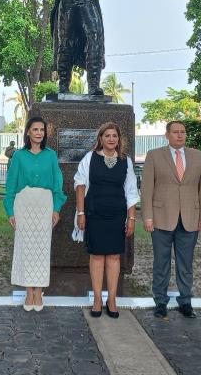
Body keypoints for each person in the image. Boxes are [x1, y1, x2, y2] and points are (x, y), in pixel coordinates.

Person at [141, 121, 201, 320]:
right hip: (161, 218)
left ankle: (186, 301)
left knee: (186, 263)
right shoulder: (154, 155)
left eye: (183, 132)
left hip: (190, 218)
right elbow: (147, 189)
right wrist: (147, 216)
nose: (180, 135)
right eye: (175, 132)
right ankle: (160, 302)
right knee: (161, 263)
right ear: (167, 134)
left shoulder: (197, 156)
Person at [74, 122, 139, 319]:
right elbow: (80, 185)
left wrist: (132, 218)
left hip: (116, 215)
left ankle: (111, 299)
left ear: (119, 139)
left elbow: (131, 191)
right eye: (107, 135)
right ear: (100, 138)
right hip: (94, 214)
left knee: (113, 257)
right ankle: (96, 299)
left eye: (115, 136)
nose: (111, 139)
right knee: (96, 257)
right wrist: (80, 213)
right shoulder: (90, 158)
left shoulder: (125, 161)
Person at [4, 117, 65, 312]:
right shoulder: (19, 156)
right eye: (35, 129)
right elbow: (11, 185)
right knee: (25, 248)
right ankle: (28, 291)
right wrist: (10, 210)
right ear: (28, 132)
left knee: (41, 249)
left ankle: (39, 291)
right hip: (24, 205)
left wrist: (56, 208)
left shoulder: (51, 156)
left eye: (42, 130)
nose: (39, 133)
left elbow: (58, 184)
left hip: (44, 205)